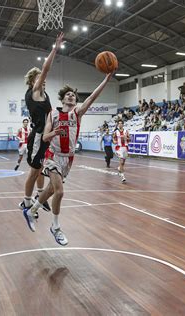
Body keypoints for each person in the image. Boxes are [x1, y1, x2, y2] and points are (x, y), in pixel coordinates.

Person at [23, 71, 114, 246]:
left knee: (50, 191)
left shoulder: (77, 114)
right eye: (68, 95)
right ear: (63, 100)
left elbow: (93, 97)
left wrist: (106, 80)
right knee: (60, 192)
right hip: (52, 155)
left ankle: (32, 210)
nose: (71, 96)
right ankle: (55, 227)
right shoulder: (52, 114)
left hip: (68, 159)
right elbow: (44, 138)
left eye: (74, 95)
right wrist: (53, 133)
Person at [20, 32, 64, 214]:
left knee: (40, 170)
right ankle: (26, 202)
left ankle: (39, 196)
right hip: (38, 136)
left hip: (46, 136)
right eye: (40, 78)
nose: (43, 80)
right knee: (34, 171)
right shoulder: (34, 92)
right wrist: (55, 47)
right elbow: (45, 69)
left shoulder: (44, 94)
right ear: (33, 80)